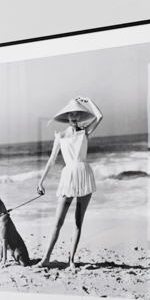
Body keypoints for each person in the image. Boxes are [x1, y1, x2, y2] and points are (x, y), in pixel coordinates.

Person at [35, 96, 101, 270]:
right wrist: (41, 182)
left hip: (84, 174)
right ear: (66, 117)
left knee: (78, 221)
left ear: (79, 117)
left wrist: (89, 101)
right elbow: (51, 160)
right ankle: (45, 259)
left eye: (76, 114)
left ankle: (72, 261)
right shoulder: (61, 135)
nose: (73, 117)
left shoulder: (84, 132)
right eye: (70, 115)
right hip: (68, 177)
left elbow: (100, 116)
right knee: (58, 221)